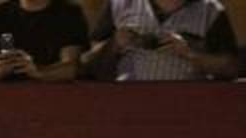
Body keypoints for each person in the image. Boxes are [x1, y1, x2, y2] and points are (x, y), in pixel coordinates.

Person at [80, 0, 239, 81]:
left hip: (189, 110)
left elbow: (232, 68)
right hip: (128, 109)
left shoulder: (210, 10)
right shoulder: (120, 4)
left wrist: (191, 55)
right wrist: (115, 44)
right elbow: (87, 63)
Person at [0, 0, 90, 82]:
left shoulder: (69, 14)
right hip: (6, 97)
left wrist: (38, 72)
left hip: (53, 96)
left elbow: (71, 68)